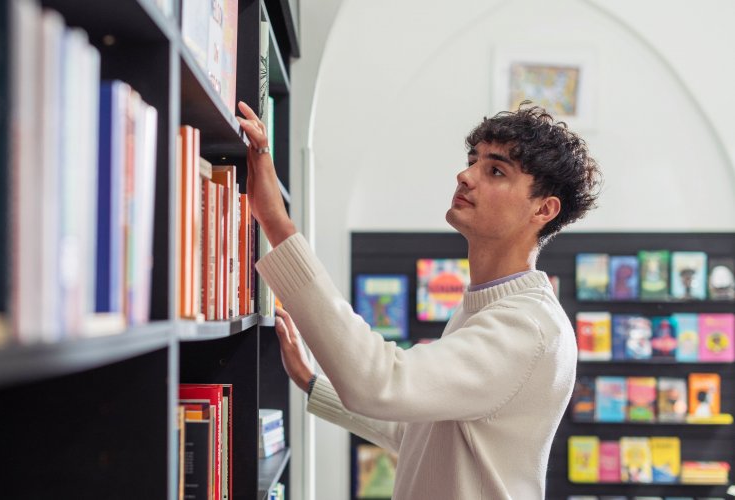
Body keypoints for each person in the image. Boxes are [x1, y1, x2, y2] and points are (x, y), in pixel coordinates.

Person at [236, 100, 603, 500]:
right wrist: (312, 382)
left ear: (543, 209)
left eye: (495, 170)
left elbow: (381, 382)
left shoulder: (526, 326)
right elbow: (423, 433)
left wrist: (275, 221)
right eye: (472, 161)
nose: (465, 176)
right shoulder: (487, 308)